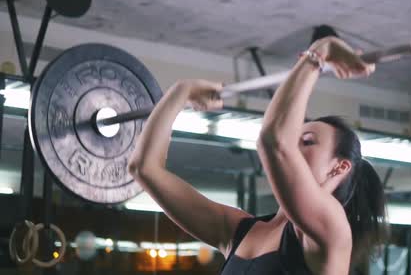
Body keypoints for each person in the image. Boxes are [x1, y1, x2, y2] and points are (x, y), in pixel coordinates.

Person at [128, 36, 387, 275]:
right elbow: (144, 168)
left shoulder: (332, 229)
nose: (294, 146)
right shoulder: (239, 232)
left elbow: (275, 141)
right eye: (294, 139)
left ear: (339, 167)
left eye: (307, 142)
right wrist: (179, 93)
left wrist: (319, 53)